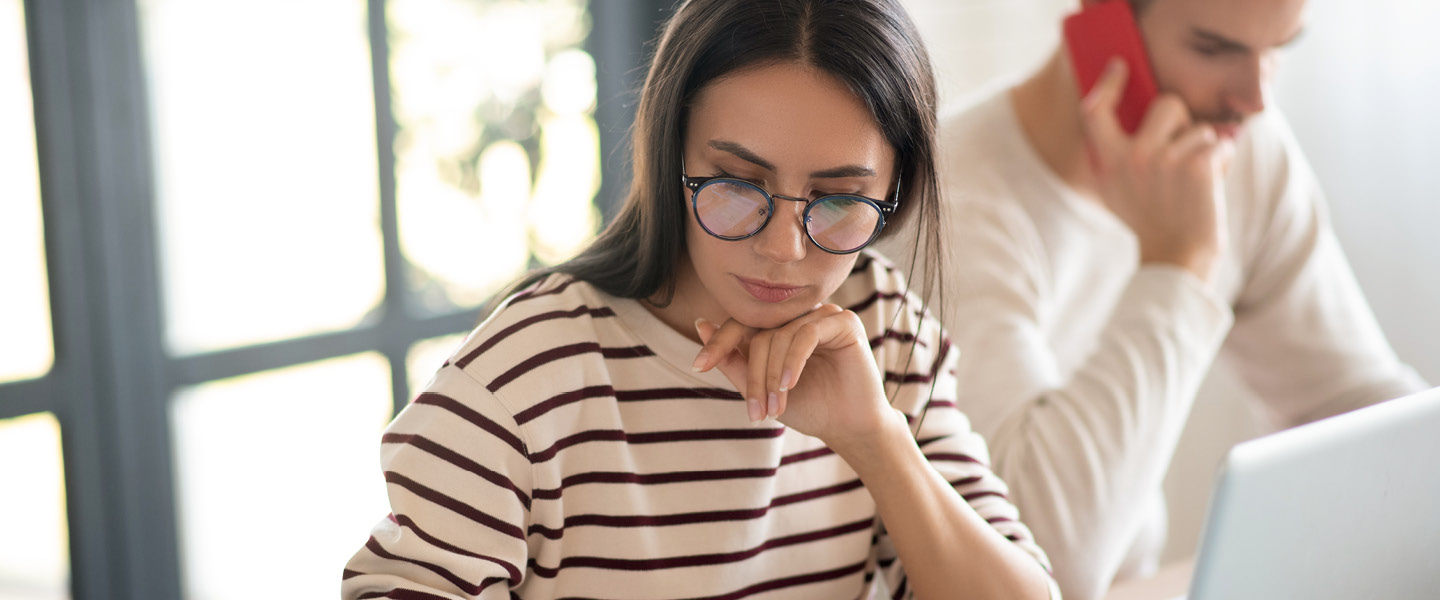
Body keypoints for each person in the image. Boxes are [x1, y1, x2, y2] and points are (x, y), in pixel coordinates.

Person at [341, 1, 1060, 598]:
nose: (784, 248)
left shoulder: (882, 329)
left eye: (839, 198)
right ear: (669, 152)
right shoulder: (520, 381)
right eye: (739, 184)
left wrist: (876, 442)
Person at [876, 1, 1429, 599]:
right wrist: (1180, 264)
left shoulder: (1240, 150)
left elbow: (1368, 416)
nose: (1255, 98)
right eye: (1214, 50)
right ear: (1102, 20)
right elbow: (1040, 561)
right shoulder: (945, 203)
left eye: (1279, 50)